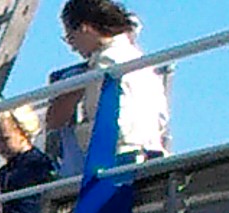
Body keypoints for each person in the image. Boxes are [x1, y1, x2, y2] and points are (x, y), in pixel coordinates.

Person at [49, 0, 168, 170]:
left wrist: (80, 133)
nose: (73, 48)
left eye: (70, 38)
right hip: (150, 149)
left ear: (85, 28)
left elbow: (111, 121)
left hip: (116, 156)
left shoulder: (105, 63)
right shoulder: (140, 61)